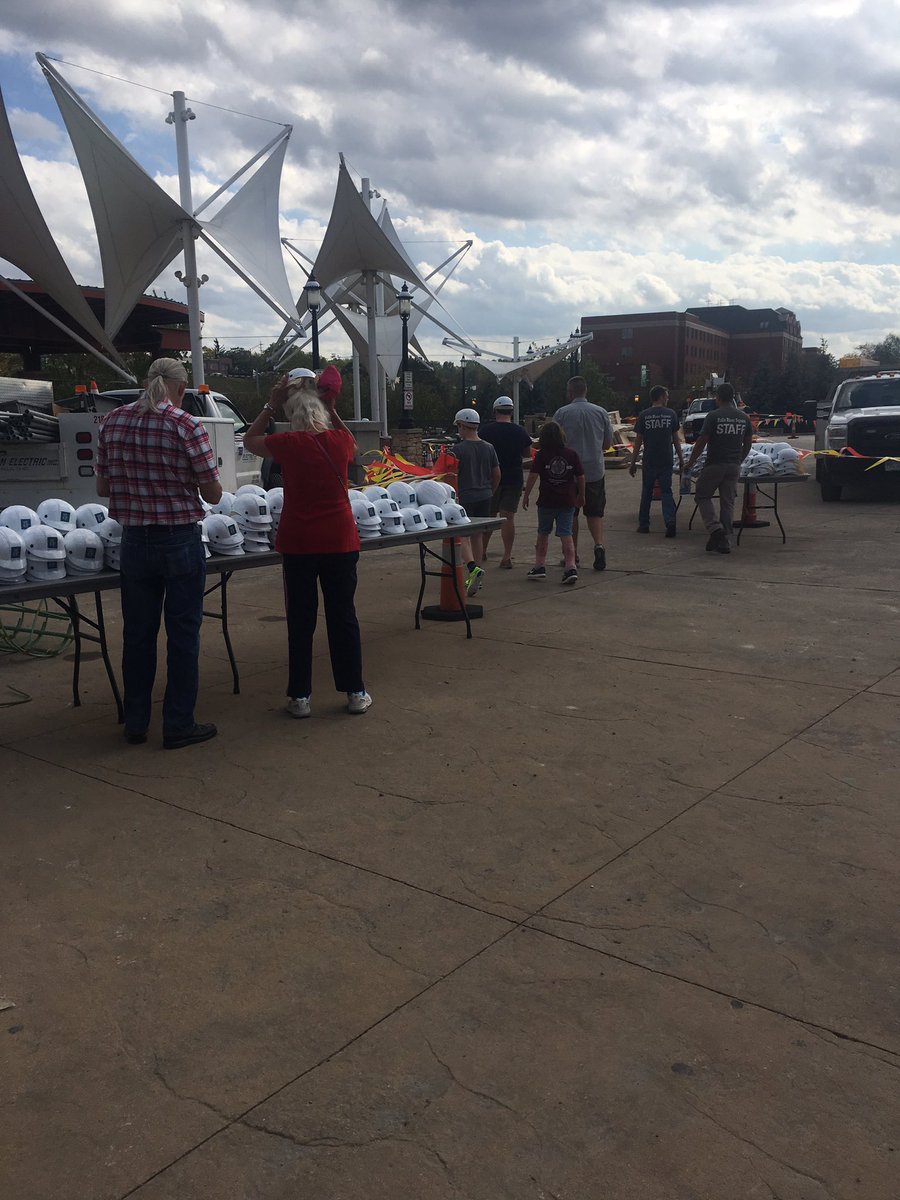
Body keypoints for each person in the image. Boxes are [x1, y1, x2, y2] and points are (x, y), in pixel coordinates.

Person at [95, 357, 222, 749]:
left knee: (138, 635)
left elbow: (102, 489)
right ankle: (178, 724)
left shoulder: (111, 423)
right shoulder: (186, 425)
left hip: (134, 543)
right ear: (180, 388)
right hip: (179, 541)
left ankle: (136, 723)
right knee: (182, 636)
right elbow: (213, 493)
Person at [243, 365, 371, 718]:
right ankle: (355, 690)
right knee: (343, 616)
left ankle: (300, 695)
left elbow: (248, 441)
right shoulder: (340, 441)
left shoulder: (288, 444)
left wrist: (270, 405)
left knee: (301, 620)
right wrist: (332, 410)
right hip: (340, 540)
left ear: (291, 413)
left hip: (299, 542)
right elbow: (354, 444)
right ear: (321, 409)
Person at [683, 382, 753, 554]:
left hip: (715, 464)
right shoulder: (744, 418)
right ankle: (725, 541)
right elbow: (748, 443)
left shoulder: (713, 416)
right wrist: (739, 459)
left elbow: (701, 442)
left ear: (718, 397)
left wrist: (690, 462)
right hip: (733, 467)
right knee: (727, 502)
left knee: (702, 495)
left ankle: (715, 529)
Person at [552, 376, 613, 570]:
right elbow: (608, 444)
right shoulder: (601, 412)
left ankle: (573, 555)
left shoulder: (561, 414)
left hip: (569, 473)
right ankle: (599, 545)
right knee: (595, 512)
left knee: (571, 514)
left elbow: (554, 443)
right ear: (585, 391)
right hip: (594, 470)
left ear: (570, 392)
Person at [522, 421, 585, 585]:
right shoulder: (571, 454)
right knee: (566, 534)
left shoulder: (542, 455)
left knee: (543, 533)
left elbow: (533, 475)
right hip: (567, 500)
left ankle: (540, 565)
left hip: (547, 501)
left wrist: (527, 494)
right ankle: (570, 566)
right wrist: (581, 495)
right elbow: (580, 477)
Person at [479, 395, 534, 568]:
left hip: (489, 479)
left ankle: (482, 551)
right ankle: (507, 556)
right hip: (514, 478)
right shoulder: (520, 431)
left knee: (489, 517)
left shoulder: (485, 431)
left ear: (495, 411)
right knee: (508, 517)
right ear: (511, 411)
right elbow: (527, 454)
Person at [452, 407, 500, 596]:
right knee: (477, 536)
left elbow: (451, 475)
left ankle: (472, 568)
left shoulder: (458, 450)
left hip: (465, 496)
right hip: (485, 495)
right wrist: (490, 491)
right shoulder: (489, 447)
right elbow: (497, 474)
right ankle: (477, 574)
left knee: (462, 536)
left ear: (462, 426)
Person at [630, 385, 683, 536]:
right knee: (667, 491)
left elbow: (638, 442)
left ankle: (644, 524)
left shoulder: (644, 415)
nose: (667, 398)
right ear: (660, 396)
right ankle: (670, 521)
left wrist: (633, 463)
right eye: (666, 396)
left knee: (646, 492)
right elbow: (676, 440)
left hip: (649, 460)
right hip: (666, 459)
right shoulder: (671, 414)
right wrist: (681, 459)